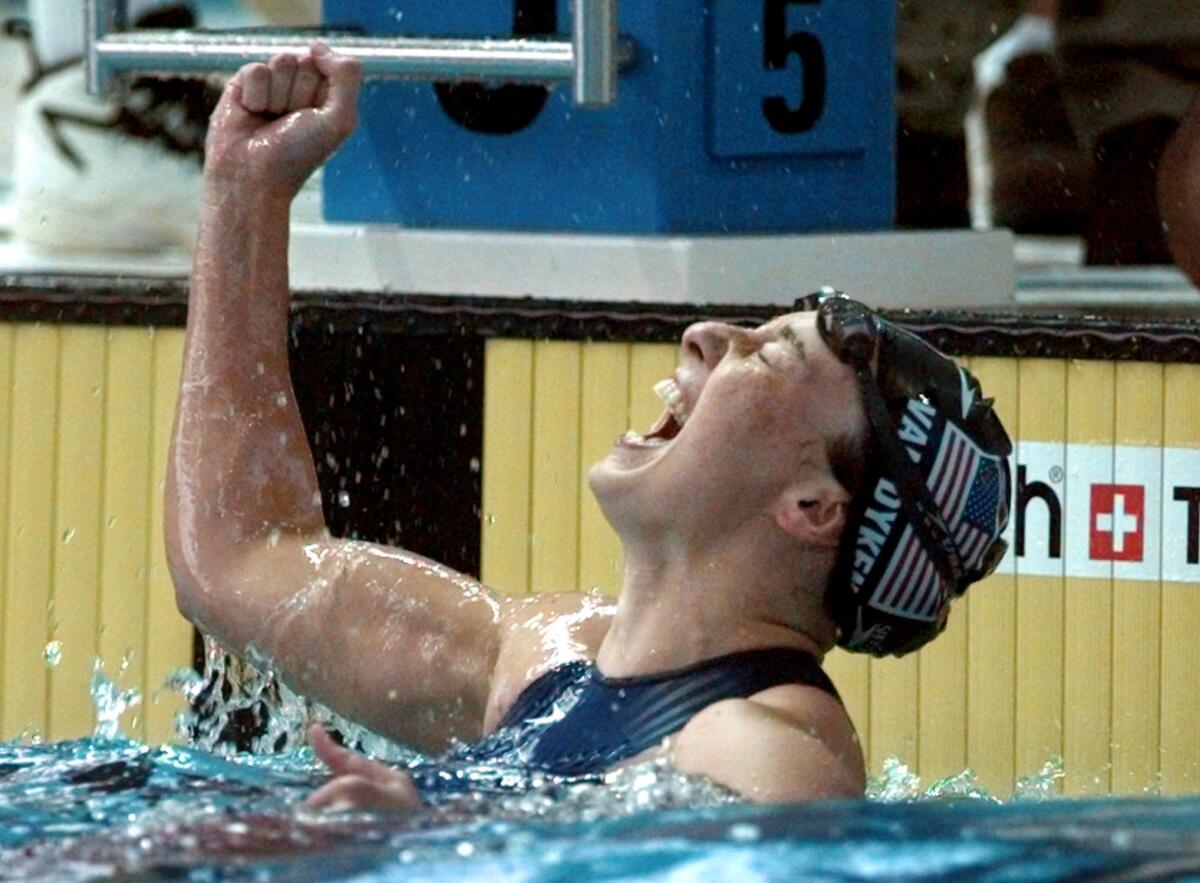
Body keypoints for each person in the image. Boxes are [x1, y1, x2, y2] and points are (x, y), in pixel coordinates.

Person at [165, 44, 1013, 812]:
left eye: (766, 357)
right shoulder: (544, 651)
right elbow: (243, 559)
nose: (708, 336)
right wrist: (245, 192)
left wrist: (431, 845)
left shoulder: (774, 751)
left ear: (813, 506)